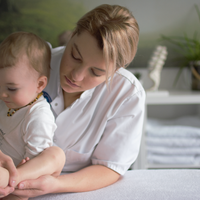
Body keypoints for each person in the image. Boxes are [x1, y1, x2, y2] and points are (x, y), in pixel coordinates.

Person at [0, 4, 145, 199]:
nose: (76, 76)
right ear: (72, 35)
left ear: (115, 69)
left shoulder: (127, 93)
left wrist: (56, 185)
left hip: (53, 181)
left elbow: (110, 166)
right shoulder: (32, 64)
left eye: (96, 72)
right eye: (75, 56)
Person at [0, 32, 65, 199]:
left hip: (17, 182)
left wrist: (14, 176)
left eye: (11, 88)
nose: (2, 94)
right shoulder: (6, 101)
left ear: (40, 84)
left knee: (55, 154)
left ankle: (9, 180)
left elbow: (35, 163)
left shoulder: (38, 116)